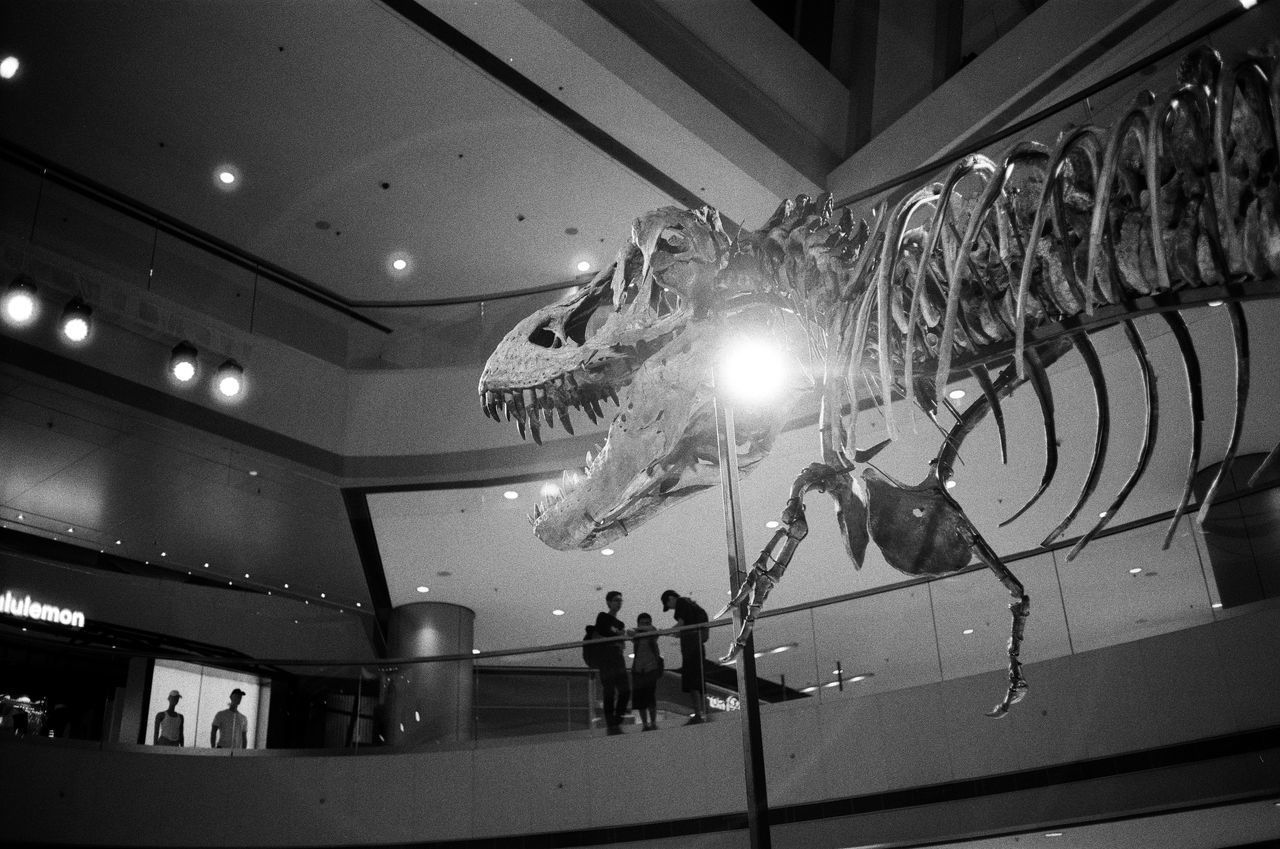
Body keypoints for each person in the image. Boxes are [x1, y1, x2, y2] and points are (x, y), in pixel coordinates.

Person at [661, 589, 709, 724]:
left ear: (671, 598)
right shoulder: (693, 606)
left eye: (668, 605)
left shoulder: (681, 603)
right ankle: (703, 712)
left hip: (690, 648)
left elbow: (681, 623)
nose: (671, 608)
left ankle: (698, 713)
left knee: (692, 681)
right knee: (698, 681)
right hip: (698, 646)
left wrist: (666, 631)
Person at [594, 590, 631, 734]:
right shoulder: (603, 617)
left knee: (624, 690)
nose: (619, 603)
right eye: (616, 600)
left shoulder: (620, 623)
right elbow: (602, 632)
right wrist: (617, 635)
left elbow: (621, 643)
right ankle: (611, 722)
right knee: (609, 689)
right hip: (606, 657)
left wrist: (618, 637)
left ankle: (616, 720)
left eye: (620, 600)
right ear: (609, 602)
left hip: (617, 657)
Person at [629, 612, 663, 731]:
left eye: (647, 623)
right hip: (638, 670)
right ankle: (645, 724)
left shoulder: (651, 634)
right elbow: (628, 632)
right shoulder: (637, 636)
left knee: (650, 697)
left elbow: (654, 631)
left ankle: (652, 723)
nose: (645, 626)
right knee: (640, 699)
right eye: (642, 623)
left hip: (650, 668)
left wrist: (640, 629)